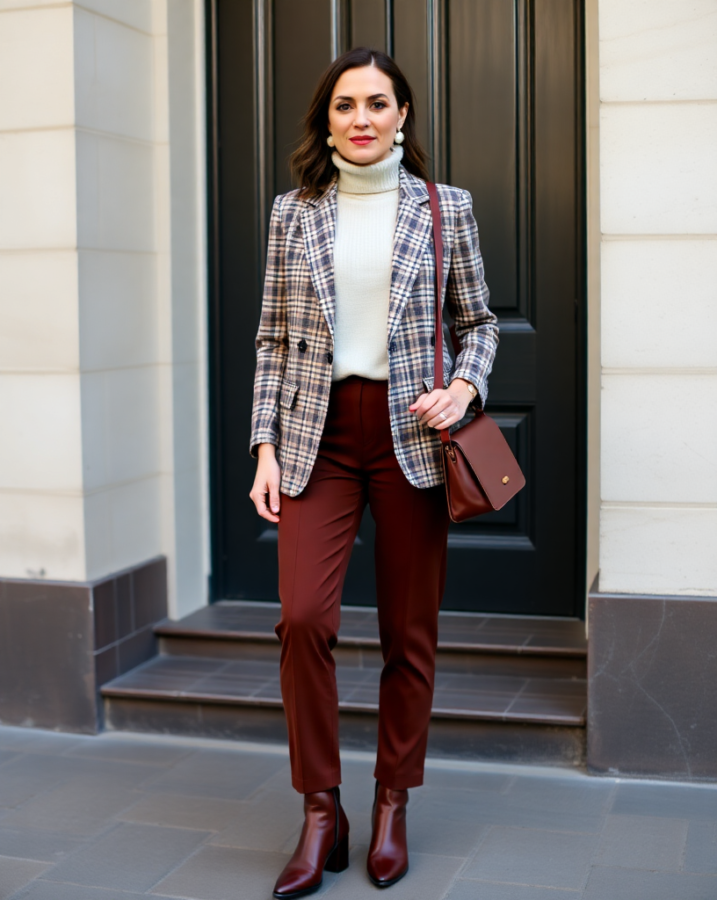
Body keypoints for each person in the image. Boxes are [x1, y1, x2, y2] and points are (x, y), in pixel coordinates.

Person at [249, 46, 498, 898]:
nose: (361, 118)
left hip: (410, 438)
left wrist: (463, 385)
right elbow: (273, 340)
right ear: (327, 119)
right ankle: (322, 809)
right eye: (346, 104)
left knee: (408, 633)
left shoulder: (444, 209)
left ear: (402, 117)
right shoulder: (293, 212)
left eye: (378, 104)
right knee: (303, 620)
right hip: (318, 435)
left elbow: (480, 323)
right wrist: (264, 447)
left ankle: (391, 802)